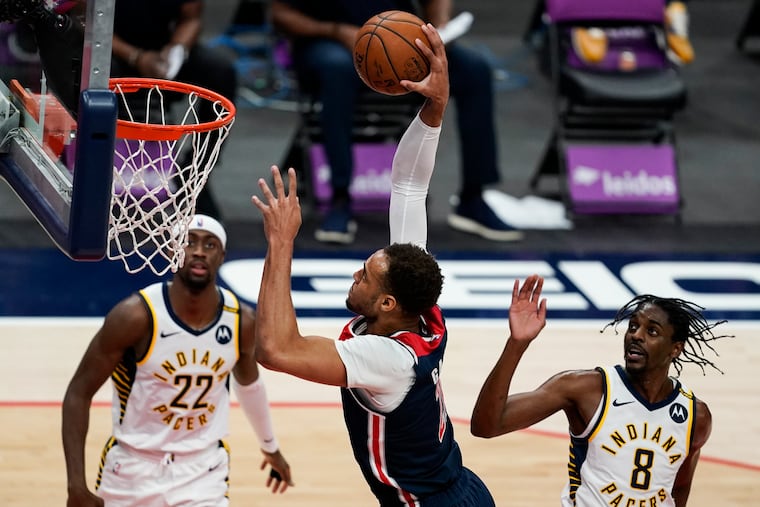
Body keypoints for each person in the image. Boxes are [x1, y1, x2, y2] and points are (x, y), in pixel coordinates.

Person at [252, 24, 495, 506]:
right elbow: (408, 185)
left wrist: (281, 242)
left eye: (364, 275)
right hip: (461, 489)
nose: (354, 275)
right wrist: (435, 107)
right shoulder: (418, 302)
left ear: (387, 302)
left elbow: (276, 349)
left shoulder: (388, 361)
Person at [62, 214, 293, 506]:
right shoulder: (135, 316)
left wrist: (270, 447)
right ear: (172, 251)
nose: (198, 251)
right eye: (188, 242)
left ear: (221, 256)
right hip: (132, 469)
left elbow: (250, 387)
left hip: (203, 471)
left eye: (209, 245)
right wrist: (75, 484)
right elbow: (78, 393)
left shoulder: (241, 321)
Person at [271, 0, 523, 244]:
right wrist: (336, 31)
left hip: (400, 44)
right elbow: (280, 14)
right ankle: (339, 199)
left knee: (475, 70)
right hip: (330, 42)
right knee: (336, 71)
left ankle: (473, 198)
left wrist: (438, 26)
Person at [470, 275, 732, 507]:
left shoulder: (696, 417)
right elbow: (486, 426)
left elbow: (678, 490)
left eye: (651, 331)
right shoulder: (585, 389)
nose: (636, 335)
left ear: (675, 349)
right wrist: (517, 344)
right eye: (633, 326)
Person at [110, 0, 238, 220]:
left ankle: (195, 174)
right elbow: (83, 23)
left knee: (220, 72)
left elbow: (191, 18)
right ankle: (88, 178)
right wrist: (136, 56)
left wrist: (177, 49)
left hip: (160, 53)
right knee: (92, 76)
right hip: (111, 51)